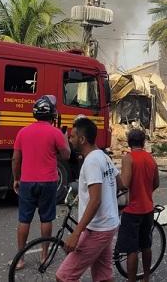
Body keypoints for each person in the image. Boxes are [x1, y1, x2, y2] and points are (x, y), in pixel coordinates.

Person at [56, 117, 121, 282]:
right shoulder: (103, 156)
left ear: (82, 139)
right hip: (108, 224)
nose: (70, 140)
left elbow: (95, 200)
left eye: (72, 136)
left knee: (64, 277)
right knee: (103, 276)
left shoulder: (91, 161)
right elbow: (120, 183)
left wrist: (76, 233)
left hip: (98, 229)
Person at [12, 95, 70, 270]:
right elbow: (66, 155)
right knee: (46, 218)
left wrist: (16, 178)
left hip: (27, 182)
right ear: (52, 114)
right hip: (49, 182)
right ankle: (44, 256)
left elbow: (15, 159)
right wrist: (64, 137)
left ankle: (20, 260)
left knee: (24, 220)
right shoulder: (55, 133)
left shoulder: (22, 132)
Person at [117, 129, 160, 282]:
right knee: (146, 245)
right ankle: (146, 277)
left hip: (132, 210)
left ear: (129, 142)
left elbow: (125, 184)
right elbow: (156, 183)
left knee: (131, 249)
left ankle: (131, 280)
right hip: (148, 209)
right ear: (143, 142)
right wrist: (146, 193)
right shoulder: (150, 158)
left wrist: (116, 180)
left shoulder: (129, 158)